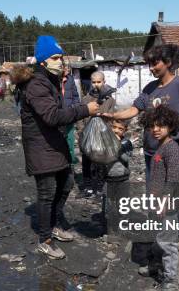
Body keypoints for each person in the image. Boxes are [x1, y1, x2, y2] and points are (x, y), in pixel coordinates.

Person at [12, 35, 99, 260]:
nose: (60, 61)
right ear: (43, 61)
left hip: (54, 145)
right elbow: (51, 116)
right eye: (55, 57)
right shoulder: (36, 84)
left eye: (61, 57)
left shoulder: (48, 80)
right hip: (41, 148)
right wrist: (84, 110)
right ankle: (45, 239)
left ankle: (54, 224)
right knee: (47, 193)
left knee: (67, 182)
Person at [103, 44, 179, 185]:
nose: (151, 68)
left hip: (173, 151)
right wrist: (113, 116)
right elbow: (134, 109)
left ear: (168, 63)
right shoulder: (150, 88)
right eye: (149, 65)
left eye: (155, 64)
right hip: (151, 151)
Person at [141, 105, 179, 291]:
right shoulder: (162, 146)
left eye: (161, 125)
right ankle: (157, 266)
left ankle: (170, 283)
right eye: (153, 125)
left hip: (168, 205)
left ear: (171, 126)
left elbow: (174, 178)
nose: (156, 129)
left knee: (168, 243)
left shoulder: (172, 149)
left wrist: (164, 201)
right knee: (159, 237)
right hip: (158, 202)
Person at [78, 71, 116, 197]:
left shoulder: (110, 100)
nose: (96, 85)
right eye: (93, 82)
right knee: (87, 162)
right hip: (88, 135)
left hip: (103, 135)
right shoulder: (85, 100)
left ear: (104, 82)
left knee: (101, 161)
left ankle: (100, 186)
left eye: (99, 82)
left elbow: (111, 118)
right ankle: (88, 186)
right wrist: (81, 133)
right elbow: (80, 119)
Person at [102, 119, 132, 237]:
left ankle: (123, 229)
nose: (116, 130)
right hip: (108, 179)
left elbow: (127, 159)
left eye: (120, 129)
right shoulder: (106, 141)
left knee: (123, 205)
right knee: (107, 206)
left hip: (123, 179)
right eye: (114, 127)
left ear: (125, 130)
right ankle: (109, 229)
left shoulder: (126, 143)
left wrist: (118, 146)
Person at [62, 66, 81, 165]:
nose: (67, 70)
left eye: (68, 68)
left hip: (69, 114)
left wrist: (76, 108)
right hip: (57, 115)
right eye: (65, 68)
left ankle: (71, 164)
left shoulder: (70, 79)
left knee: (70, 140)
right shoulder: (53, 79)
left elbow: (75, 96)